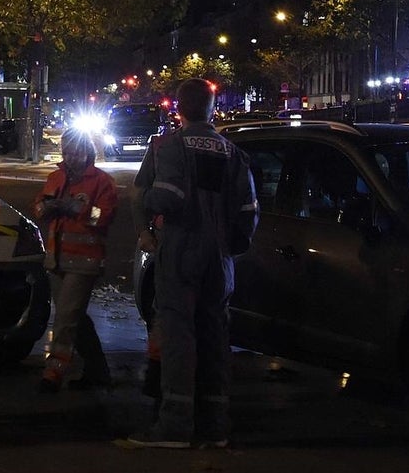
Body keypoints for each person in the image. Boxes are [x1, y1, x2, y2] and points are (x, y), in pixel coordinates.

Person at [128, 78, 259, 449]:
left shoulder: (167, 147)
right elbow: (248, 211)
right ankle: (214, 425)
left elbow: (162, 197)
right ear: (212, 108)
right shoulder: (232, 152)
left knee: (178, 338)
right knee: (216, 336)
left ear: (178, 108)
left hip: (182, 250)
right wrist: (232, 245)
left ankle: (174, 425)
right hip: (220, 259)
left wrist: (147, 226)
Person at [33, 129, 118, 393]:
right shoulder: (56, 177)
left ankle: (53, 373)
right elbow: (38, 207)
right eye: (67, 152)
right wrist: (45, 208)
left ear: (88, 151)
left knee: (66, 319)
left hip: (84, 261)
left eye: (77, 152)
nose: (72, 157)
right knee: (75, 318)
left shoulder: (101, 182)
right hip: (56, 260)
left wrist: (76, 208)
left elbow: (102, 217)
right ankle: (97, 369)